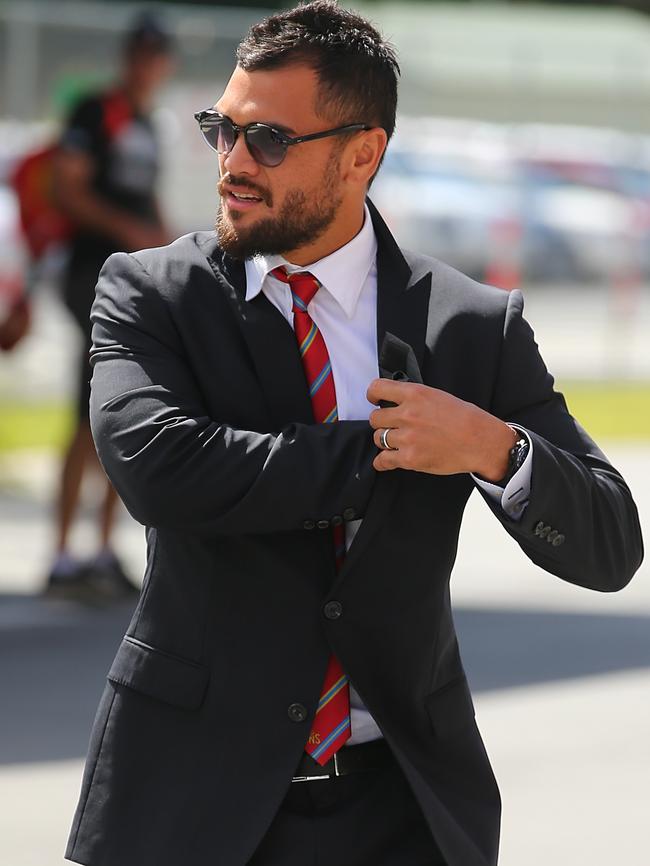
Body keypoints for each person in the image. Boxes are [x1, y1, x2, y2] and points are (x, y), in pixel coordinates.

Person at [64, 3, 643, 865]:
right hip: (188, 802)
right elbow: (162, 469)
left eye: (266, 141)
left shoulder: (471, 327)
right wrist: (389, 445)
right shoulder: (153, 293)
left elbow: (609, 543)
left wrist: (491, 448)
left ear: (361, 154)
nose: (230, 164)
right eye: (221, 130)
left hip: (403, 808)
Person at [45, 13, 175, 603]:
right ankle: (62, 554)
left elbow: (146, 203)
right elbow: (65, 188)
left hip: (132, 281)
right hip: (89, 274)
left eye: (158, 53)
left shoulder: (149, 123)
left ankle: (100, 548)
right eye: (141, 51)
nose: (148, 62)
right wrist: (127, 228)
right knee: (87, 411)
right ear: (128, 56)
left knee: (114, 409)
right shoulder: (97, 111)